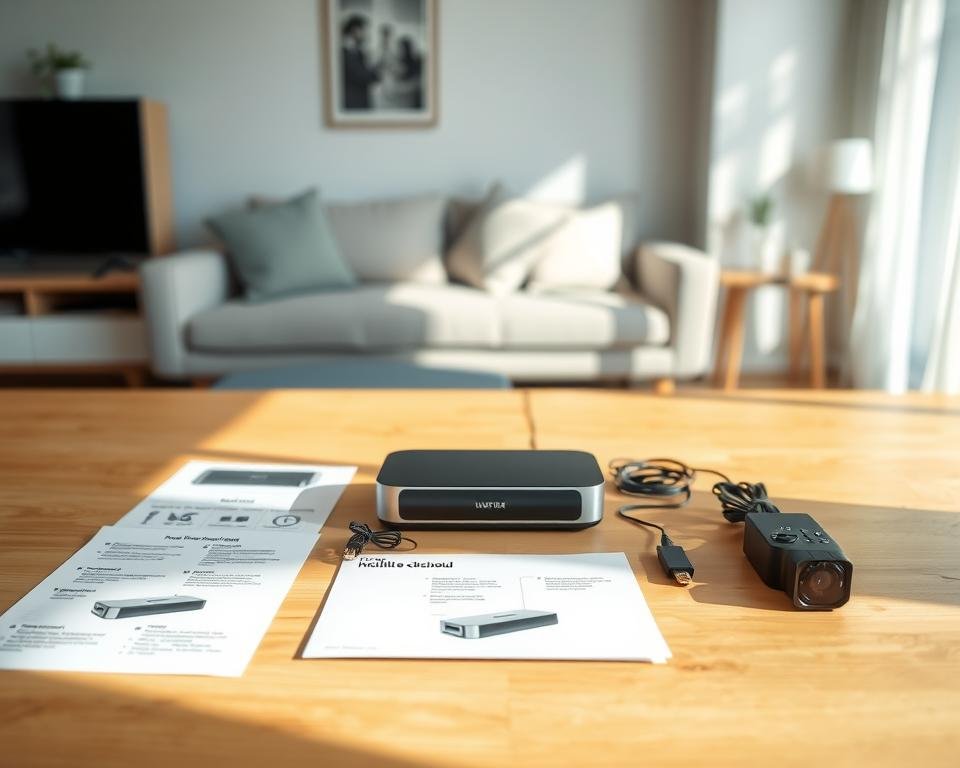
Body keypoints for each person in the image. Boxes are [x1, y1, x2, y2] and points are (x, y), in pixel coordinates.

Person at [340, 14, 380, 110]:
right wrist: (377, 68)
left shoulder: (357, 51)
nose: (368, 34)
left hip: (360, 102)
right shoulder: (346, 52)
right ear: (356, 30)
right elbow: (364, 76)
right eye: (365, 30)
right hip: (353, 105)